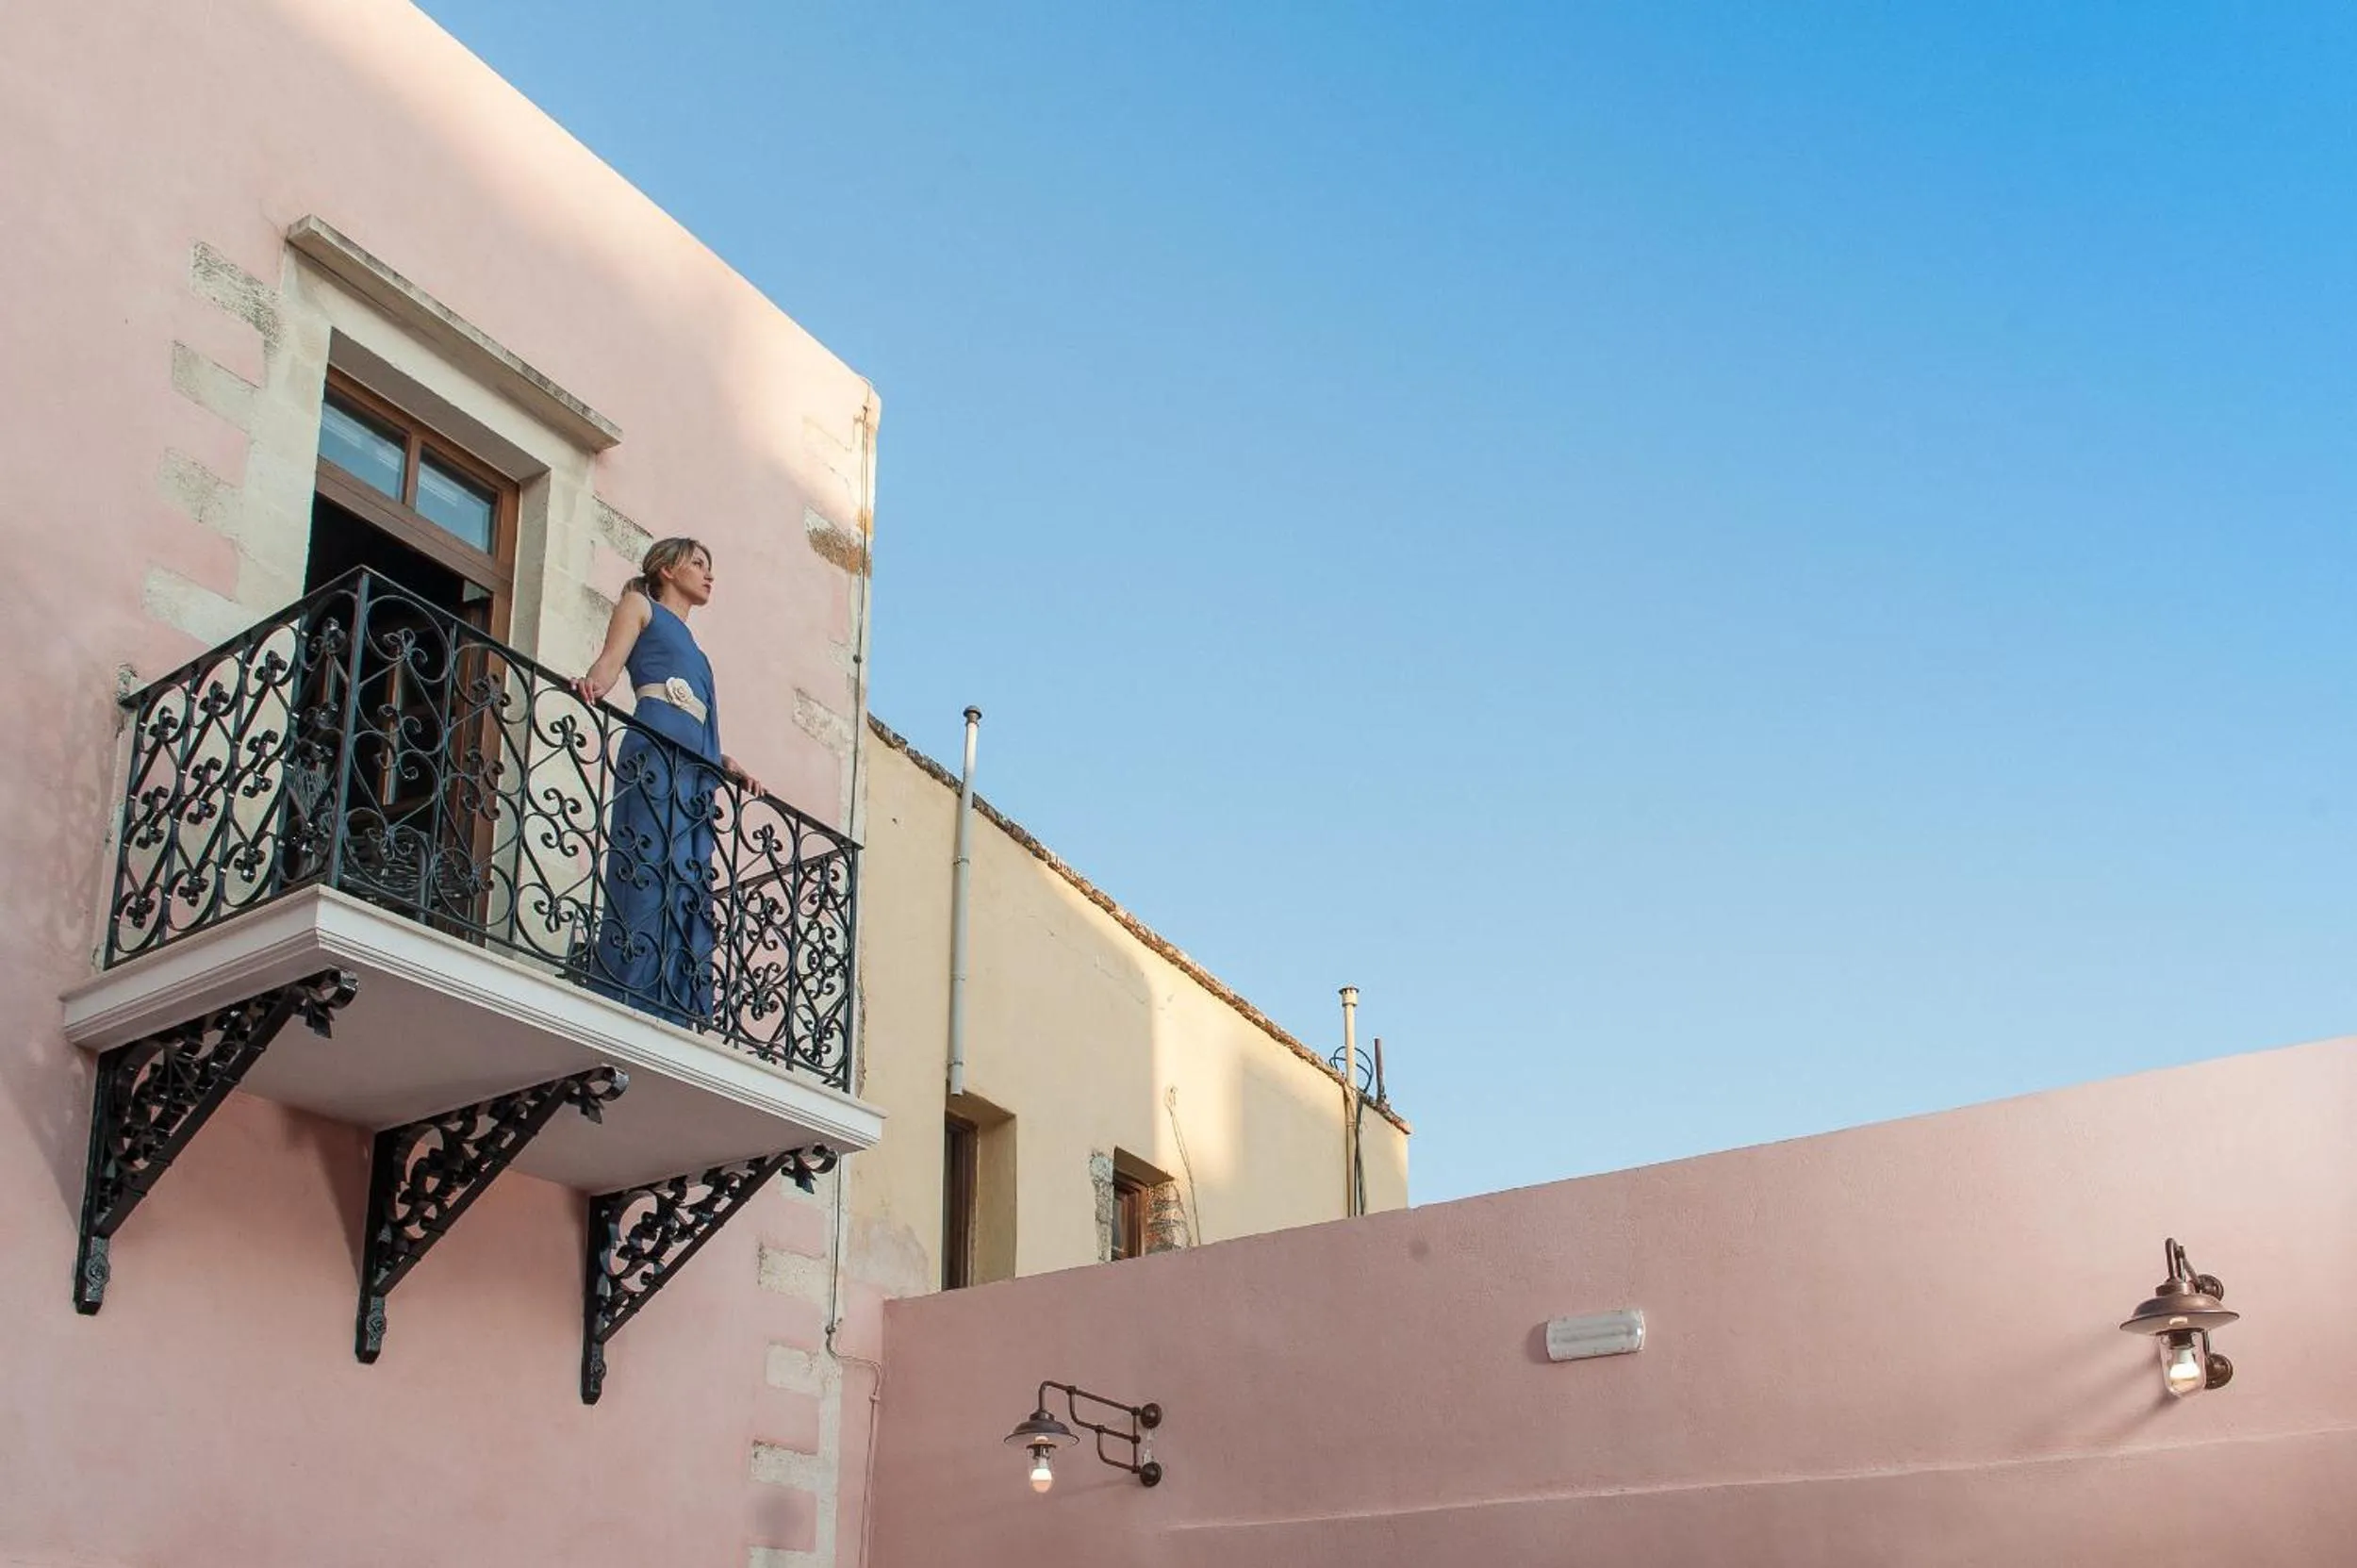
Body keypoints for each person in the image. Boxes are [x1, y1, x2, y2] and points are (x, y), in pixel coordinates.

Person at [572, 537, 760, 1027]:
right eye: (698, 563)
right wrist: (591, 684)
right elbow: (610, 663)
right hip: (654, 747)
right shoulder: (641, 605)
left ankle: (672, 993)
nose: (707, 574)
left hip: (692, 761)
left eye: (709, 566)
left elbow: (695, 716)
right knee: (647, 858)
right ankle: (632, 982)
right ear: (666, 569)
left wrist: (723, 761)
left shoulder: (697, 651)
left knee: (682, 871)